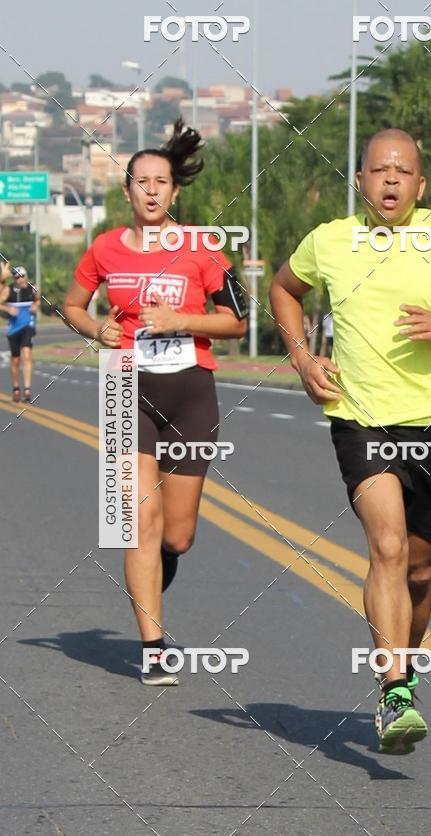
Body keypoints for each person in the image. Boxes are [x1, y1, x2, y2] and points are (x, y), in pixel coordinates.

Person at [270, 128, 431, 754]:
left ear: (421, 185)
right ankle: (395, 688)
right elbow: (283, 289)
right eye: (378, 170)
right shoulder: (331, 240)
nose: (390, 181)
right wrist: (302, 359)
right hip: (361, 418)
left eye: (402, 172)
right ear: (359, 181)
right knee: (385, 545)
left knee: (418, 568)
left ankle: (402, 672)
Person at [63, 119, 248, 686]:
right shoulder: (105, 248)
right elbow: (73, 305)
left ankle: (156, 576)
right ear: (127, 191)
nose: (150, 190)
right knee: (139, 521)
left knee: (177, 535)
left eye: (160, 181)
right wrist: (97, 331)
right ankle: (153, 646)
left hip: (190, 390)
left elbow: (237, 321)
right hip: (128, 390)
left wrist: (182, 320)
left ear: (174, 191)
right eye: (140, 181)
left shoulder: (203, 248)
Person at [0, 263, 41, 402]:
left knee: (27, 354)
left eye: (22, 276)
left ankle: (28, 389)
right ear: (14, 279)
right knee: (16, 360)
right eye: (17, 277)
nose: (20, 279)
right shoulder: (8, 290)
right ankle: (16, 388)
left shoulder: (31, 289)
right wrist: (7, 309)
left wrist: (35, 306)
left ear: (26, 277)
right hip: (13, 329)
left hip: (27, 326)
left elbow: (38, 301)